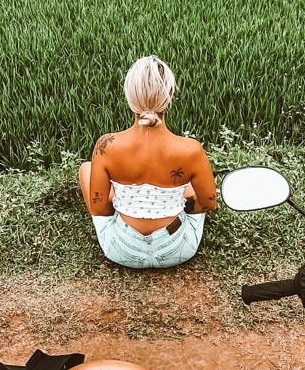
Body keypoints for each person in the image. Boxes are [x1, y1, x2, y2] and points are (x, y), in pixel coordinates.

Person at [79, 56, 217, 269]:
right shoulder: (191, 150)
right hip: (178, 249)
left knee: (86, 168)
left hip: (121, 249)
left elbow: (99, 210)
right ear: (169, 95)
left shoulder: (106, 145)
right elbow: (208, 203)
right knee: (188, 186)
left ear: (129, 97)